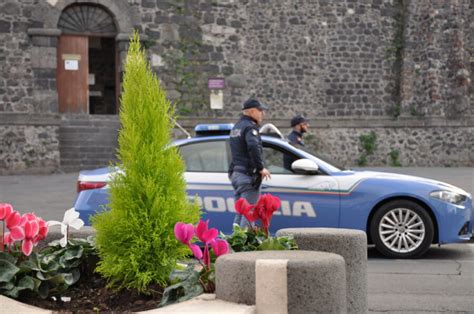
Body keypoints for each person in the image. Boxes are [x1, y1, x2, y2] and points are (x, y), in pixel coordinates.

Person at [228, 98, 271, 228]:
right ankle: (244, 247)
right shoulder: (249, 127)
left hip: (237, 174)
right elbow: (253, 146)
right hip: (247, 176)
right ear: (252, 111)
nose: (263, 114)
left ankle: (234, 243)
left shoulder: (236, 127)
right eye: (260, 110)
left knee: (241, 213)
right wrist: (260, 168)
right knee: (248, 213)